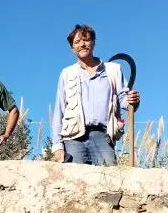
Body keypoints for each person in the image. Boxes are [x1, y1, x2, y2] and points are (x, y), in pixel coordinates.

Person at [50, 24, 140, 166]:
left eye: (86, 40)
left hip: (103, 137)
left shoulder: (113, 70)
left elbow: (123, 100)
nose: (82, 44)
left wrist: (132, 100)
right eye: (77, 42)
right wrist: (57, 146)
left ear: (93, 42)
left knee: (108, 178)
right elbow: (59, 111)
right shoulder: (66, 74)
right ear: (72, 49)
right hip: (73, 138)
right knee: (75, 182)